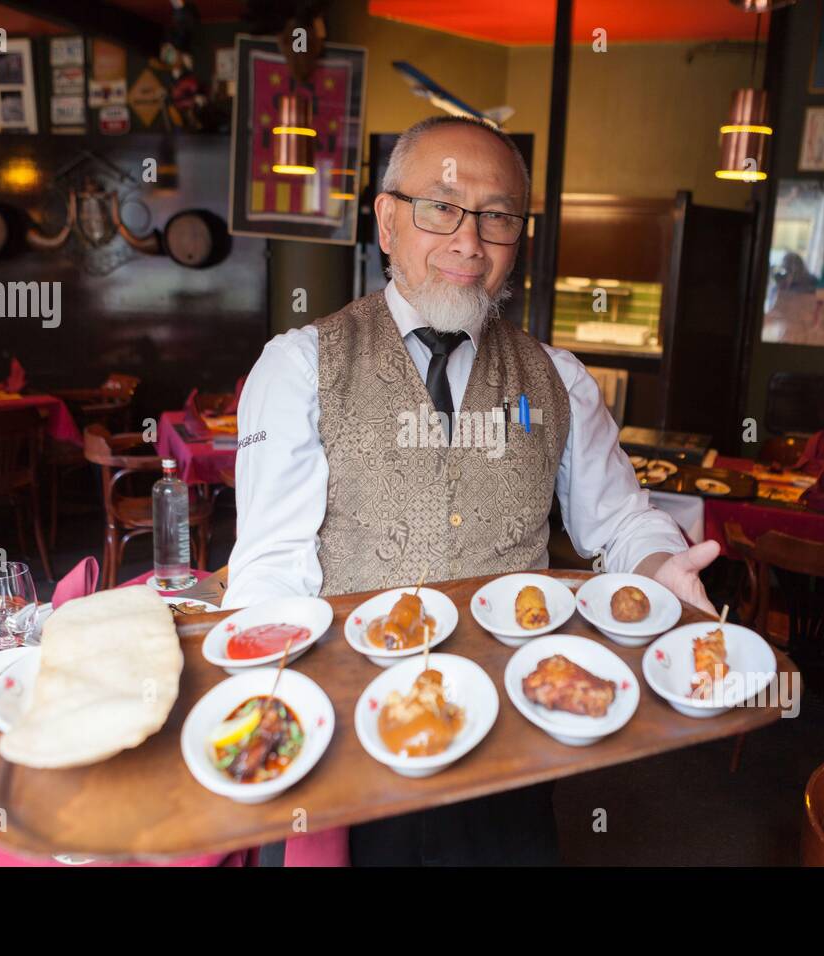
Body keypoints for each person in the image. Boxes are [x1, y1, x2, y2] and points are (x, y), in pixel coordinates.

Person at [224, 115, 719, 865]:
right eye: (442, 207)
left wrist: (660, 569)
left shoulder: (561, 379)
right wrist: (261, 712)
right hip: (354, 738)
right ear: (387, 221)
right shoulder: (298, 367)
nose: (469, 241)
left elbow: (621, 523)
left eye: (497, 217)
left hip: (511, 737)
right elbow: (271, 567)